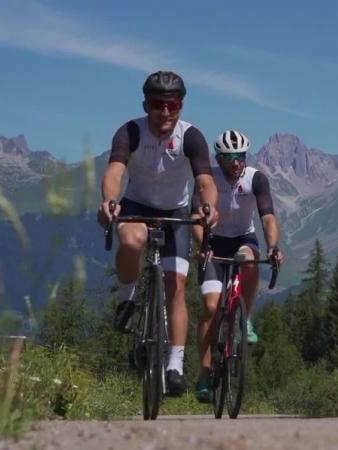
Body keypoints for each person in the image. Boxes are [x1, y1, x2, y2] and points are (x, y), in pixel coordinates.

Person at [97, 70, 219, 397]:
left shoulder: (191, 136)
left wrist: (208, 207)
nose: (165, 111)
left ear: (181, 105)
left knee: (176, 285)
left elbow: (205, 182)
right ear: (146, 104)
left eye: (173, 104)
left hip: (176, 211)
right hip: (137, 204)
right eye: (157, 104)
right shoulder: (130, 132)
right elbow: (114, 172)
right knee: (131, 239)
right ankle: (128, 299)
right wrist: (109, 201)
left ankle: (175, 364)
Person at [191, 129, 284, 403]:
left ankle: (245, 318)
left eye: (241, 156)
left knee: (248, 260)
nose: (237, 162)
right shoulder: (208, 179)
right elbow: (197, 217)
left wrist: (273, 247)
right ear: (219, 158)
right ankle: (205, 375)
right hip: (214, 242)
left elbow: (268, 218)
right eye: (231, 156)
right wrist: (203, 247)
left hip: (244, 238)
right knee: (210, 307)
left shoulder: (256, 178)